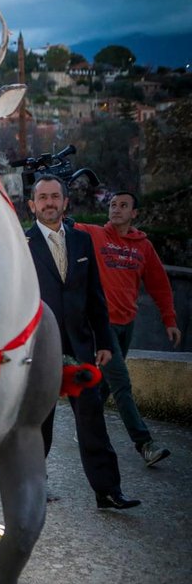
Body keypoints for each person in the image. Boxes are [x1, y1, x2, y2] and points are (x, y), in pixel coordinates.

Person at [25, 175, 140, 510]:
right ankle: (32, 488)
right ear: (32, 205)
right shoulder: (21, 245)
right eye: (42, 197)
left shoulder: (81, 242)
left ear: (65, 202)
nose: (49, 202)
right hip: (39, 350)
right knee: (39, 424)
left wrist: (104, 340)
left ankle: (108, 491)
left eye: (54, 197)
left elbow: (94, 296)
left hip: (80, 348)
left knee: (92, 418)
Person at [75, 191, 179, 466]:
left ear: (134, 213)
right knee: (121, 382)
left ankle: (87, 432)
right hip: (101, 324)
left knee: (105, 387)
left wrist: (169, 320)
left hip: (126, 324)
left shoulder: (142, 246)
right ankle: (144, 443)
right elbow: (63, 223)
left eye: (123, 206)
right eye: (112, 205)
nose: (116, 209)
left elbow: (159, 284)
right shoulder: (95, 235)